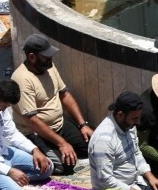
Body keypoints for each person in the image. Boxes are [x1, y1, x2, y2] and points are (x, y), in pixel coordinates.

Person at [10, 34, 95, 173]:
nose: (50, 60)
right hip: (36, 132)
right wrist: (62, 143)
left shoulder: (49, 67)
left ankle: (62, 147)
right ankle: (28, 152)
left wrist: (83, 125)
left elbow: (65, 94)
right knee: (64, 165)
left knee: (92, 146)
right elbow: (33, 121)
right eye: (46, 57)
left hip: (60, 124)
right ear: (32, 57)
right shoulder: (22, 79)